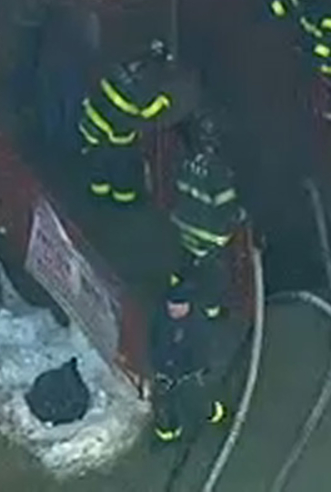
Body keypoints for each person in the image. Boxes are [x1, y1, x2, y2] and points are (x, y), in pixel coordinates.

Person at [168, 115, 246, 320]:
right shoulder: (218, 171)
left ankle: (177, 287)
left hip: (184, 227)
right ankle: (213, 313)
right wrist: (241, 215)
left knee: (185, 262)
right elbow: (227, 207)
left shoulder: (190, 161)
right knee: (215, 276)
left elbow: (180, 188)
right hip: (209, 235)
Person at [78, 41, 173, 205]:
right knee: (122, 168)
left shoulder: (125, 64)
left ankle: (97, 195)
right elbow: (148, 111)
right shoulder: (146, 80)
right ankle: (124, 201)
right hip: (117, 133)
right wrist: (163, 101)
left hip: (94, 122)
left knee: (99, 162)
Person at [37, 0, 107, 150]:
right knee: (70, 108)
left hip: (49, 64)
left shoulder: (62, 6)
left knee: (50, 105)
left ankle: (48, 141)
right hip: (71, 71)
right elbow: (91, 51)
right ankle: (65, 148)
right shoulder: (90, 20)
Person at [149, 284, 227, 443]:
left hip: (188, 371)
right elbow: (155, 339)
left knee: (197, 398)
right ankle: (169, 432)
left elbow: (201, 353)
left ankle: (215, 416)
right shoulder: (161, 317)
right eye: (170, 307)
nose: (172, 311)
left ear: (186, 306)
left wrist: (188, 370)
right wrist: (158, 365)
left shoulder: (197, 325)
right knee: (164, 402)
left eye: (176, 308)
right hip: (166, 370)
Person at [1, 0, 59, 113]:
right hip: (30, 24)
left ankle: (18, 96)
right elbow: (41, 1)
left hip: (24, 22)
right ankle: (21, 101)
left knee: (24, 61)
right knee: (27, 63)